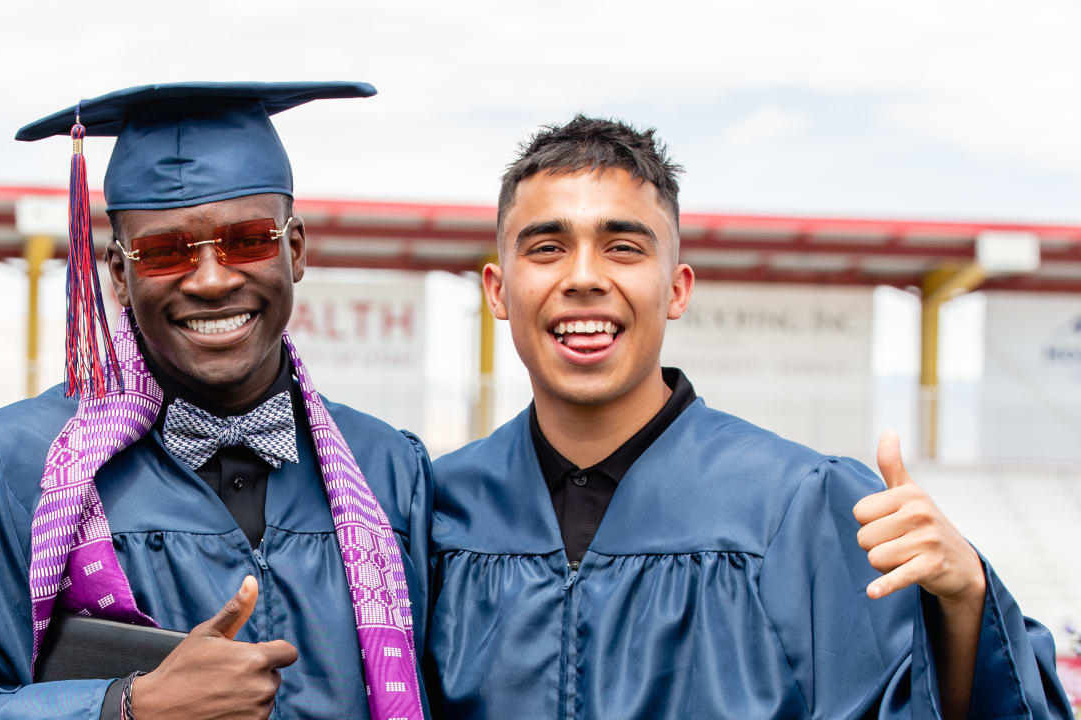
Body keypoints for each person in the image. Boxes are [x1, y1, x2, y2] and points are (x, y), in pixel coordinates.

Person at [425, 116, 1070, 719]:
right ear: (498, 290)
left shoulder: (807, 509)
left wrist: (965, 602)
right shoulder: (437, 509)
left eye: (623, 247)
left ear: (677, 289)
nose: (585, 277)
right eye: (547, 248)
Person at [0, 82, 430, 720]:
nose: (211, 280)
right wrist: (126, 707)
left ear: (294, 250)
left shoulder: (388, 470)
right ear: (118, 274)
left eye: (248, 240)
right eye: (163, 252)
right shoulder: (1, 469)